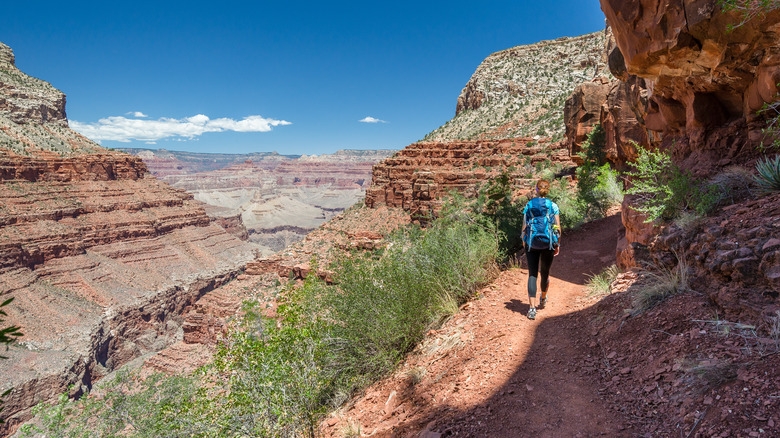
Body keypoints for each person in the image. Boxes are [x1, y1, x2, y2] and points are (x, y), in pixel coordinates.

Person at [521, 179, 561, 320]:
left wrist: (525, 244)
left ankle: (532, 309)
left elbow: (524, 227)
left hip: (532, 244)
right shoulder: (553, 206)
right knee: (545, 272)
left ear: (536, 190)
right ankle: (542, 298)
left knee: (532, 274)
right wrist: (557, 244)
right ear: (547, 190)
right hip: (547, 244)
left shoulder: (529, 205)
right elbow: (558, 228)